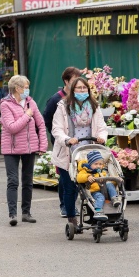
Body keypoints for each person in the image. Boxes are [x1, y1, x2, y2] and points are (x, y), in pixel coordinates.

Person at [51, 77, 108, 228]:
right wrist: (67, 139)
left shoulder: (94, 107)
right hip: (69, 152)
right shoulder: (63, 106)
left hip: (89, 151)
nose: (82, 91)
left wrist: (102, 137)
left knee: (93, 184)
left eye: (84, 88)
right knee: (70, 188)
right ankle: (72, 219)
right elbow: (56, 128)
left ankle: (95, 215)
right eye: (79, 88)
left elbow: (101, 126)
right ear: (72, 90)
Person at [0, 75, 47, 226]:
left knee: (28, 181)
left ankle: (26, 212)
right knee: (13, 181)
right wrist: (27, 116)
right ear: (17, 89)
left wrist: (43, 145)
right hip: (11, 148)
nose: (28, 90)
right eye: (26, 87)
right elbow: (12, 127)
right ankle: (12, 214)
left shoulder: (30, 102)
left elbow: (41, 123)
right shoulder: (5, 104)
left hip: (29, 147)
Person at [42, 66, 81, 218]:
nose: (77, 83)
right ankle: (64, 206)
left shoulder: (81, 97)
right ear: (66, 81)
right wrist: (59, 136)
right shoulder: (55, 99)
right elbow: (47, 119)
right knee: (65, 177)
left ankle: (72, 204)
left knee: (78, 175)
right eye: (74, 80)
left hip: (79, 143)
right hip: (63, 143)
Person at [77, 150, 122, 220]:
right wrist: (88, 177)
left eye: (100, 164)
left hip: (104, 190)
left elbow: (109, 181)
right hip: (93, 191)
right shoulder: (85, 171)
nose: (98, 166)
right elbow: (79, 178)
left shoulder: (102, 172)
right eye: (96, 164)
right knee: (100, 197)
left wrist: (117, 180)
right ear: (90, 164)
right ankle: (98, 211)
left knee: (109, 183)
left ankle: (114, 198)